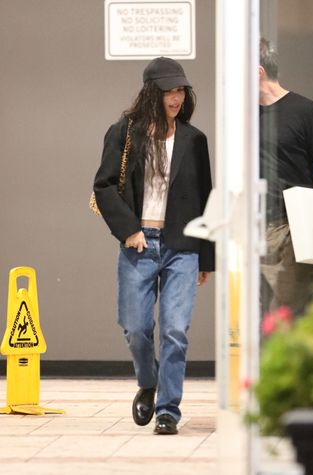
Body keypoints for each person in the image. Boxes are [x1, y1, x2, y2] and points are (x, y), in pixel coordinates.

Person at [93, 57, 214, 435]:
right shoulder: (124, 133)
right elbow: (104, 185)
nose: (175, 98)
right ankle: (148, 380)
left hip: (182, 246)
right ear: (151, 94)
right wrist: (129, 230)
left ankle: (167, 410)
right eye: (168, 91)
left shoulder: (194, 140)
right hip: (139, 243)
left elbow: (204, 198)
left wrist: (206, 257)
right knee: (135, 327)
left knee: (176, 330)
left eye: (180, 90)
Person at [259, 38, 313, 317]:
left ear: (257, 72)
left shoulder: (306, 111)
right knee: (256, 315)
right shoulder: (241, 115)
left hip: (293, 227)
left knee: (291, 313)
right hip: (252, 227)